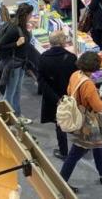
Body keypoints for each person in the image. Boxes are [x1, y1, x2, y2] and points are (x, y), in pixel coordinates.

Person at [60, 52, 102, 191]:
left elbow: (70, 91)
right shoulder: (88, 84)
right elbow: (98, 107)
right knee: (76, 153)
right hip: (88, 122)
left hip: (78, 116)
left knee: (98, 146)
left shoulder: (75, 75)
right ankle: (61, 182)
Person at [38, 31, 78, 161]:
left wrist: (55, 98)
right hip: (68, 96)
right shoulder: (71, 58)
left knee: (59, 123)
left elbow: (41, 81)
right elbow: (75, 78)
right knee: (70, 119)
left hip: (52, 98)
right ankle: (77, 147)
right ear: (63, 42)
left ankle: (63, 151)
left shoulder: (43, 58)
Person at [0, 3, 33, 123]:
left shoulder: (19, 25)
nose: (31, 17)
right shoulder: (13, 28)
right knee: (10, 93)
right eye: (30, 14)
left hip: (20, 64)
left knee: (17, 91)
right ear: (25, 15)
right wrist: (16, 44)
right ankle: (7, 118)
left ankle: (17, 115)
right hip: (14, 64)